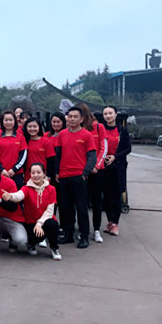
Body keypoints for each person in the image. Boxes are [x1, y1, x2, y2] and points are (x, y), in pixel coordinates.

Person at [55, 106, 96, 249]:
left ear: (82, 119)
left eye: (75, 117)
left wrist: (85, 173)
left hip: (79, 176)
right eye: (70, 116)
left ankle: (84, 237)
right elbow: (58, 155)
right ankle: (68, 234)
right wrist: (57, 172)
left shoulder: (87, 135)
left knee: (81, 208)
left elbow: (92, 156)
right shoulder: (62, 134)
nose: (72, 119)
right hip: (64, 176)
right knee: (66, 208)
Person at [1, 162, 61, 260]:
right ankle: (31, 244)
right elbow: (19, 195)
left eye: (38, 172)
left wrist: (39, 224)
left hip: (43, 221)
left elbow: (50, 211)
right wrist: (10, 196)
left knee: (52, 224)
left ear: (44, 173)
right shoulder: (26, 188)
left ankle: (54, 248)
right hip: (30, 223)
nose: (36, 175)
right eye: (33, 173)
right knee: (29, 236)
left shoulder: (51, 189)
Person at [78, 102, 109, 243]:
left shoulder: (98, 127)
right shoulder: (75, 129)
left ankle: (96, 230)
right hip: (81, 172)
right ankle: (83, 230)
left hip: (97, 171)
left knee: (96, 202)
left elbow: (104, 147)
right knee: (81, 203)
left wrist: (96, 165)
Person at [100, 106, 131, 237]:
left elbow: (128, 148)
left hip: (118, 167)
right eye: (105, 114)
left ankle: (115, 224)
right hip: (104, 167)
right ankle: (109, 222)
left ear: (115, 114)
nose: (108, 116)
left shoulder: (122, 131)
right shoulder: (101, 129)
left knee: (116, 196)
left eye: (110, 113)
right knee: (106, 196)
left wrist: (115, 156)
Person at [0, 111, 28, 188]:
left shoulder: (21, 137)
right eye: (6, 120)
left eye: (10, 120)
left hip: (17, 174)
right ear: (2, 121)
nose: (8, 122)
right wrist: (1, 169)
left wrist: (14, 169)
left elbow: (23, 156)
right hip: (1, 174)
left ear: (15, 121)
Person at [23, 117, 56, 183]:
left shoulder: (46, 142)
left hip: (42, 177)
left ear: (39, 127)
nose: (32, 129)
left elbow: (51, 161)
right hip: (28, 177)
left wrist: (48, 176)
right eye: (29, 126)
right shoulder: (24, 141)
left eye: (35, 126)